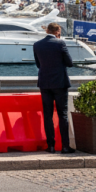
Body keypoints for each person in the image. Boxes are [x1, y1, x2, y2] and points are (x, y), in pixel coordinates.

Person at [33, 22, 74, 153]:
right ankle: (65, 147)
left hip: (45, 83)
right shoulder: (60, 43)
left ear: (47, 31)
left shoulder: (37, 45)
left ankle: (50, 146)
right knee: (62, 115)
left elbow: (39, 65)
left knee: (47, 115)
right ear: (57, 31)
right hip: (60, 83)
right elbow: (69, 62)